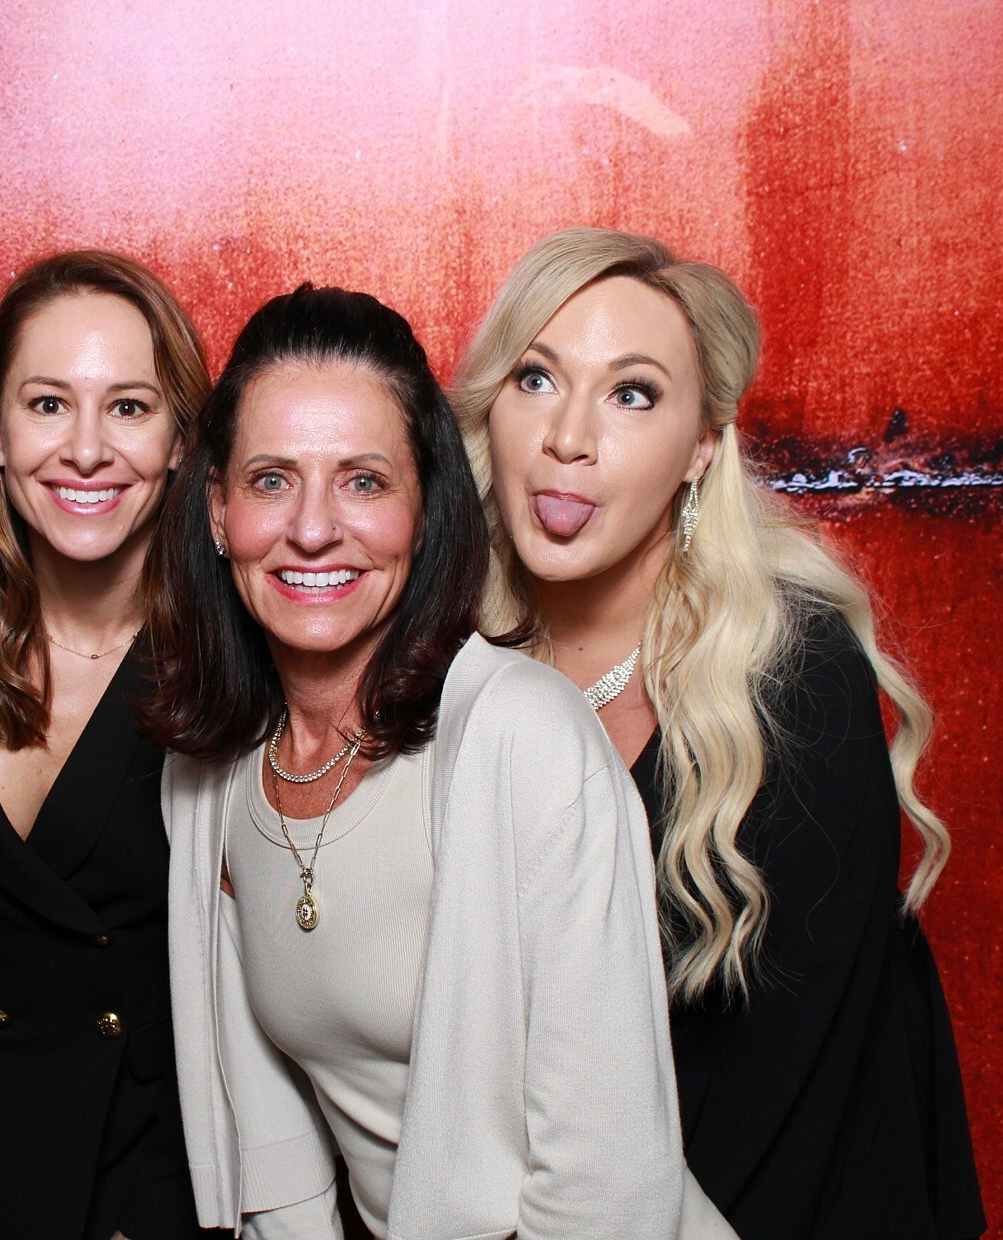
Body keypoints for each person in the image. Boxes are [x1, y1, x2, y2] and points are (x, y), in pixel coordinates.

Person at [452, 227, 986, 1239]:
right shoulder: (445, 661)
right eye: (536, 378)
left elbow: (790, 1106)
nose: (568, 436)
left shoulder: (789, 678)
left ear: (701, 445)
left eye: (631, 393)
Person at [145, 285, 685, 1238]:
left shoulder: (521, 736)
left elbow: (608, 1181)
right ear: (219, 509)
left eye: (364, 481)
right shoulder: (210, 777)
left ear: (425, 510)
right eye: (271, 480)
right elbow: (268, 1145)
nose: (314, 529)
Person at [0, 250, 215, 1239]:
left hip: (142, 1155)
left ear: (180, 438)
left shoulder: (233, 641)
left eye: (129, 408)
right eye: (48, 404)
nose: (86, 450)